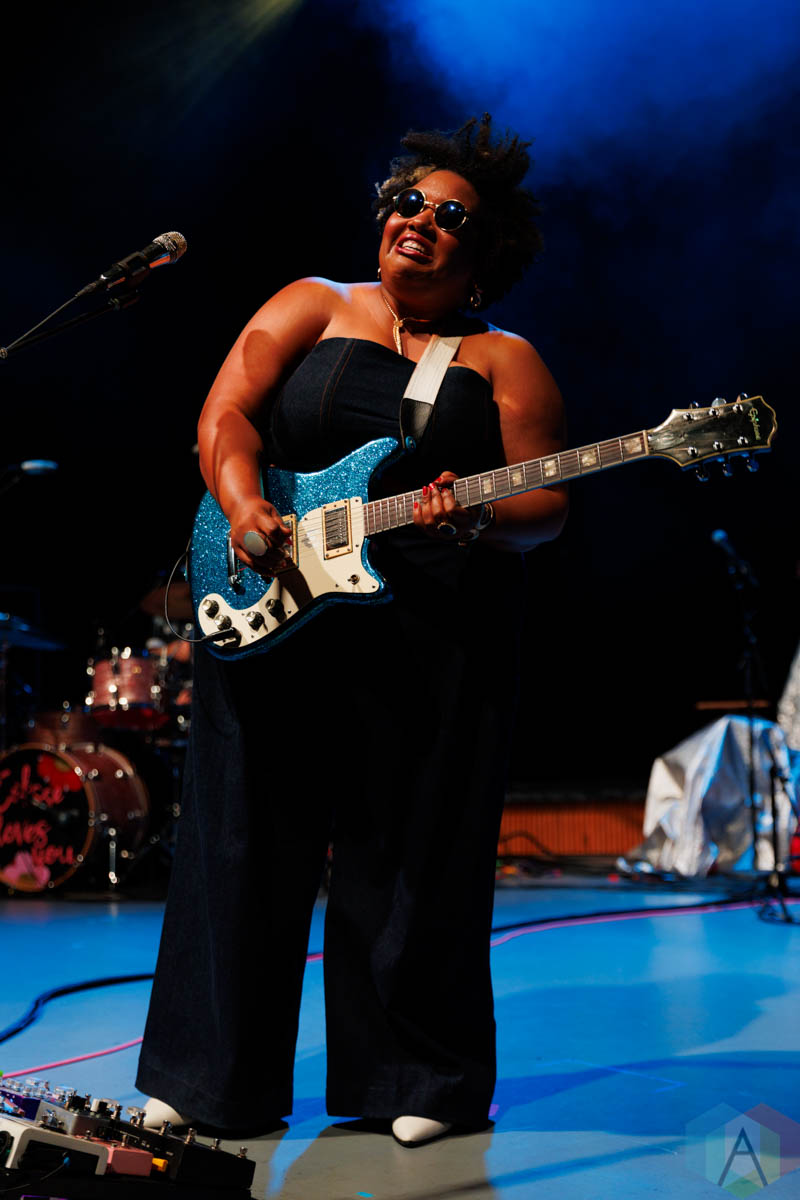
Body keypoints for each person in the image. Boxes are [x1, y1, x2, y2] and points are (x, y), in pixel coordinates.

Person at [135, 114, 568, 1147]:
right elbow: (225, 416)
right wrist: (243, 504)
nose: (418, 219)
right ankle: (208, 1078)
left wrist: (479, 516)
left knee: (416, 847)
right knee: (241, 837)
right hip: (275, 604)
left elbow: (547, 505)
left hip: (435, 633)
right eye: (408, 202)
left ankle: (417, 1076)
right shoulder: (315, 303)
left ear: (483, 254)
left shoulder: (505, 359)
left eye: (449, 215)